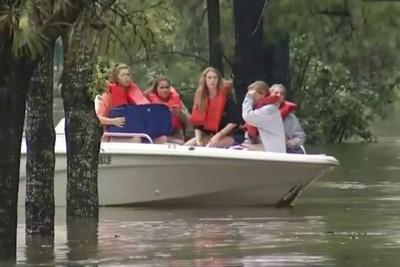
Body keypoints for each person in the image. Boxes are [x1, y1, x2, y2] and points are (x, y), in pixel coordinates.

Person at [95, 63, 166, 143]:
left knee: (163, 139)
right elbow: (97, 118)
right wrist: (114, 121)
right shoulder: (108, 95)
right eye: (122, 75)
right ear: (116, 78)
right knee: (137, 139)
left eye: (128, 75)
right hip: (110, 135)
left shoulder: (134, 93)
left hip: (133, 132)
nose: (126, 77)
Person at [185, 67, 244, 148]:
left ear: (219, 80)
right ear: (204, 79)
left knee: (210, 147)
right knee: (187, 146)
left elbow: (234, 121)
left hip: (231, 134)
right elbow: (198, 125)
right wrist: (199, 141)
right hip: (210, 135)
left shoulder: (226, 96)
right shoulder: (200, 97)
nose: (212, 81)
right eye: (209, 78)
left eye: (215, 78)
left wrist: (218, 136)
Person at [242, 81, 286, 153]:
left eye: (258, 93)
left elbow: (248, 116)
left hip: (274, 153)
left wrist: (248, 97)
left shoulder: (270, 109)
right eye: (251, 93)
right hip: (267, 149)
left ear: (264, 96)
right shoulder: (263, 109)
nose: (253, 95)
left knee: (239, 150)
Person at [145, 78, 191, 144]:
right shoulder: (148, 101)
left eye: (167, 87)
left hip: (175, 133)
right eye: (161, 88)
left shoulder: (177, 101)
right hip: (157, 134)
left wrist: (179, 114)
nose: (165, 90)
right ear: (156, 89)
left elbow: (188, 119)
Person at [269, 84, 306, 153]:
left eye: (281, 94)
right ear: (269, 95)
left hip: (285, 149)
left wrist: (290, 143)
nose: (279, 95)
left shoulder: (290, 117)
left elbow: (300, 137)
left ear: (283, 98)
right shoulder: (260, 113)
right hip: (263, 148)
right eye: (276, 93)